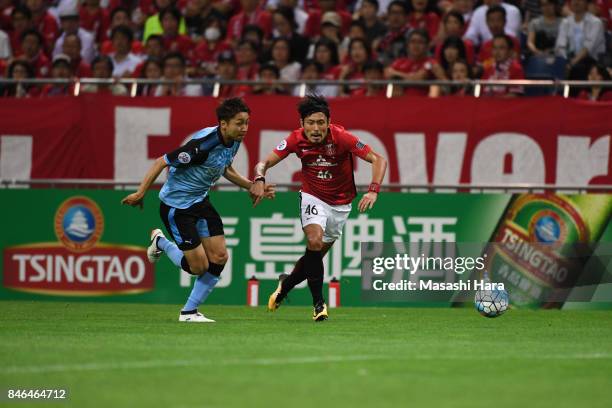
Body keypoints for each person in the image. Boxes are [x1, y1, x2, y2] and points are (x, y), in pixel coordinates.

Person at [121, 98, 275, 322]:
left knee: (220, 257)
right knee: (198, 266)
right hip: (177, 206)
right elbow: (161, 162)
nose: (244, 128)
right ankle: (161, 243)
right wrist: (140, 193)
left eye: (247, 123)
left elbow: (225, 168)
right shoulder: (202, 145)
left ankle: (189, 312)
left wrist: (251, 185)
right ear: (223, 124)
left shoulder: (233, 140)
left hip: (200, 200)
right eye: (239, 123)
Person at [252, 95, 388, 321]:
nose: (316, 128)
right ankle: (319, 304)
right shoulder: (295, 139)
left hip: (341, 204)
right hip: (312, 197)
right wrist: (259, 178)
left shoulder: (342, 137)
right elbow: (263, 163)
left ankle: (286, 285)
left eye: (320, 122)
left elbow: (378, 159)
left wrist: (373, 189)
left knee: (312, 260)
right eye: (310, 123)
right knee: (314, 241)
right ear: (302, 124)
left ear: (328, 121)